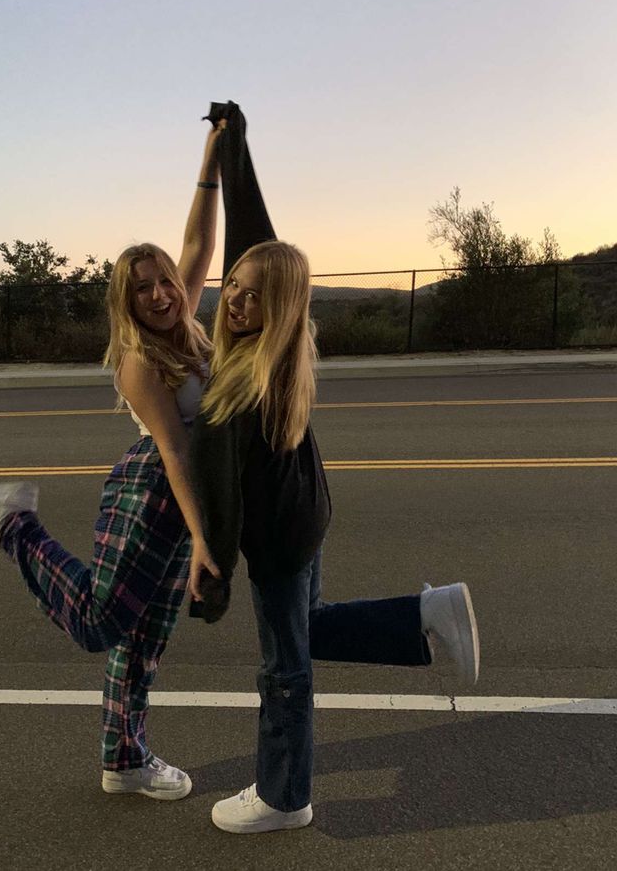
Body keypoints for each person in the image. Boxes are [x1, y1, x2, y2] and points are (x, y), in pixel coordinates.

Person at [187, 102, 480, 834]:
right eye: (238, 287)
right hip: (305, 517)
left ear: (279, 309)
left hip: (282, 540)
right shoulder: (276, 351)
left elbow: (222, 500)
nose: (238, 299)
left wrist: (212, 577)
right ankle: (424, 612)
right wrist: (232, 151)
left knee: (283, 670)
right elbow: (254, 240)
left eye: (255, 294)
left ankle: (285, 796)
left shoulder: (252, 376)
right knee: (308, 629)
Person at [0, 116, 226, 801]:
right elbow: (177, 448)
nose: (159, 292)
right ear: (126, 301)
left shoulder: (187, 323)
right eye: (142, 287)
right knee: (103, 621)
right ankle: (17, 525)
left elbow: (198, 241)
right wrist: (204, 538)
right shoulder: (137, 359)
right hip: (154, 487)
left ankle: (123, 758)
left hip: (177, 494)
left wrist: (211, 154)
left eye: (163, 280)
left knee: (144, 636)